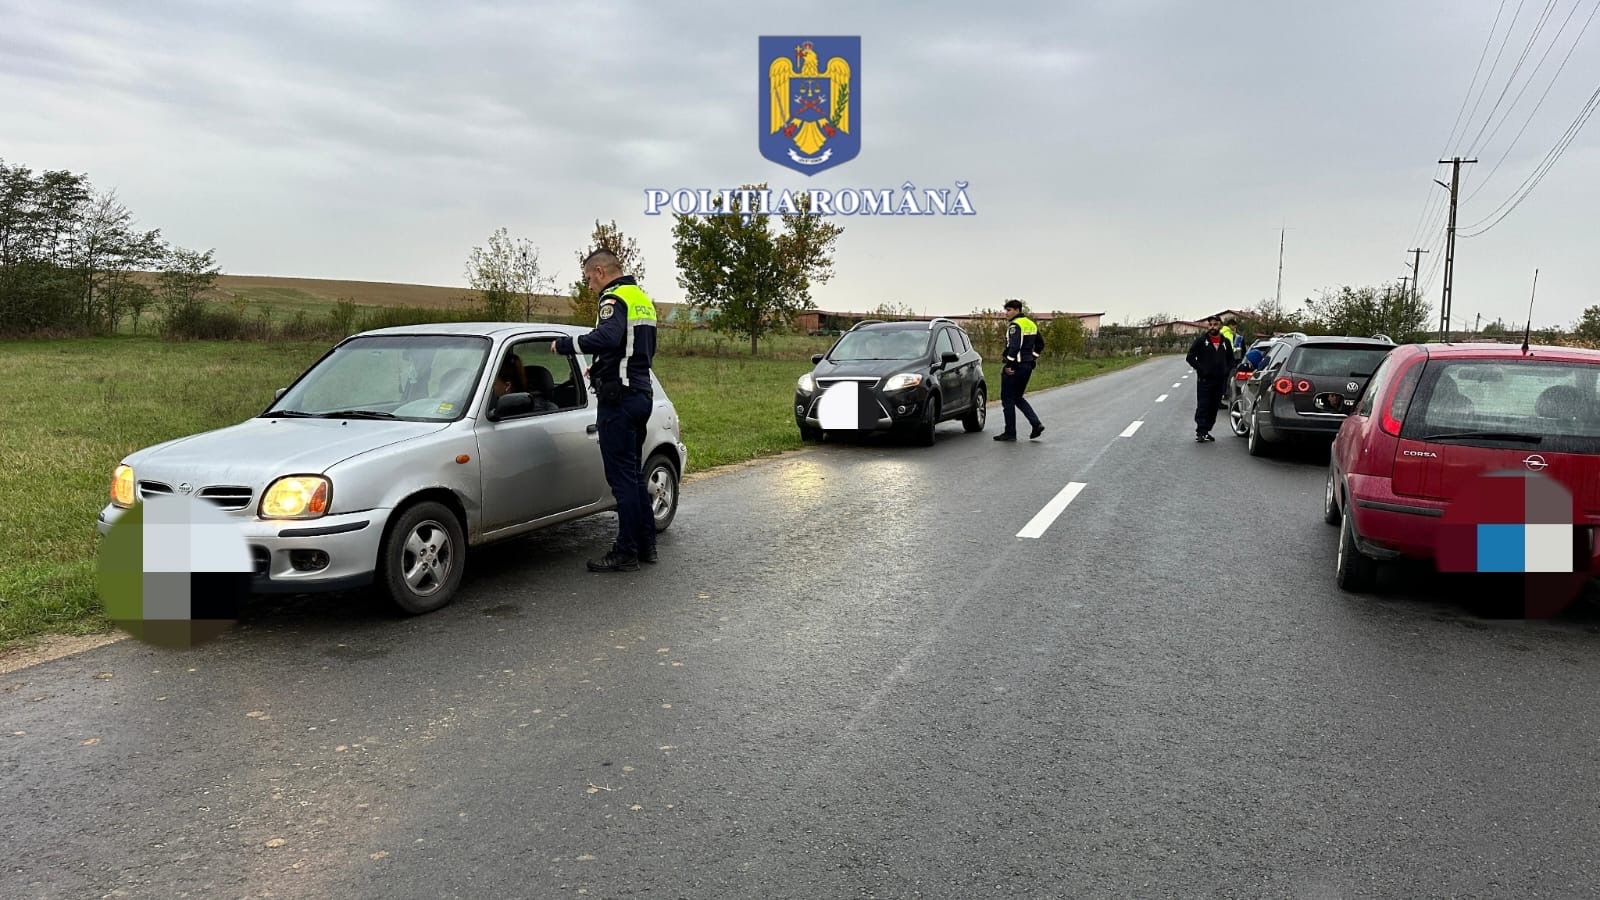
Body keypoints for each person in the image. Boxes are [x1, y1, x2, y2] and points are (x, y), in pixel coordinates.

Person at [551, 249, 659, 572]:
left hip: (619, 401)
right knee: (635, 476)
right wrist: (600, 369)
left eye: (587, 278)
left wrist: (566, 345)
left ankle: (625, 552)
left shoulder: (613, 298)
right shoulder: (641, 297)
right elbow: (633, 347)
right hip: (641, 394)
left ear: (599, 271)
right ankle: (646, 545)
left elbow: (609, 336)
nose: (588, 286)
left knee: (621, 480)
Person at [995, 299, 1045, 441]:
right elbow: (1040, 344)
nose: (1006, 313)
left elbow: (1014, 347)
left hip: (1015, 367)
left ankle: (1010, 432)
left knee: (1008, 399)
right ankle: (1036, 424)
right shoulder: (1031, 324)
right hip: (1027, 366)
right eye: (1006, 310)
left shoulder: (1015, 325)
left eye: (1009, 310)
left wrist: (1009, 365)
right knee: (1018, 397)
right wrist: (1032, 358)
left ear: (1017, 310)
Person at [1185, 315, 1235, 442]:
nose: (1212, 327)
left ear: (1220, 326)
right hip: (1205, 380)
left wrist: (1226, 370)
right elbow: (1190, 357)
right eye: (1210, 325)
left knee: (1214, 406)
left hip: (1219, 380)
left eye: (1215, 324)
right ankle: (1200, 431)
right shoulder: (1202, 341)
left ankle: (1207, 430)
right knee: (1204, 405)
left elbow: (1231, 360)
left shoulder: (1225, 342)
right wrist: (1201, 369)